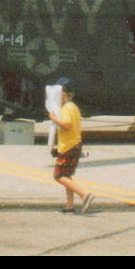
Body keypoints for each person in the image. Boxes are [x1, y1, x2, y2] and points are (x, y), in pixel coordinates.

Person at [47, 77, 93, 214]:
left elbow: (66, 125)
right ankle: (69, 206)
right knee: (67, 176)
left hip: (68, 146)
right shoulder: (73, 107)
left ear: (62, 93)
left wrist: (54, 118)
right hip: (73, 144)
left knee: (58, 176)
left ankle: (84, 195)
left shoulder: (66, 108)